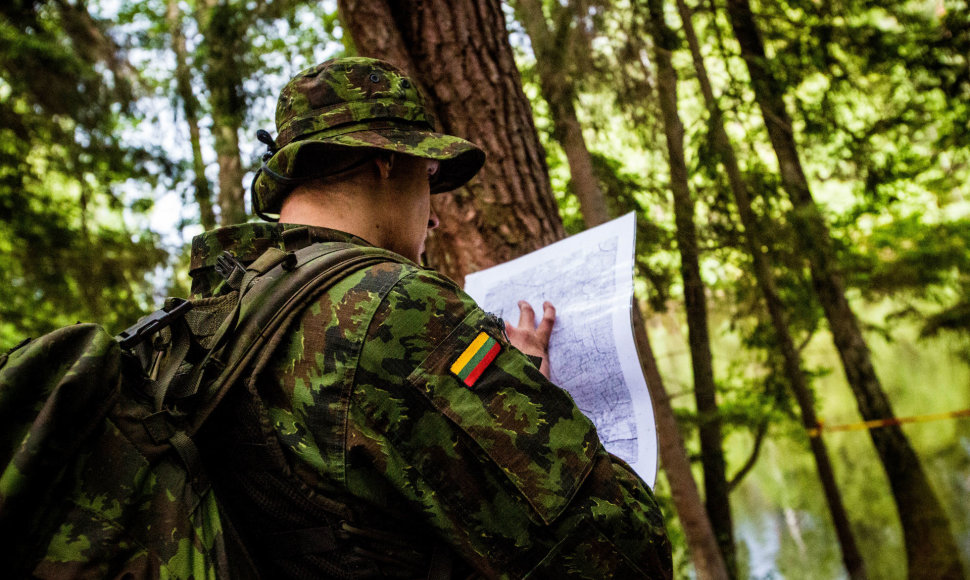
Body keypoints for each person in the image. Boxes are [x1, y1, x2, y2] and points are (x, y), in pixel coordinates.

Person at [189, 56, 672, 579]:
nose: (435, 215)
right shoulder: (389, 307)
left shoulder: (221, 314)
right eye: (430, 174)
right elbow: (620, 552)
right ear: (386, 161)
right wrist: (535, 397)